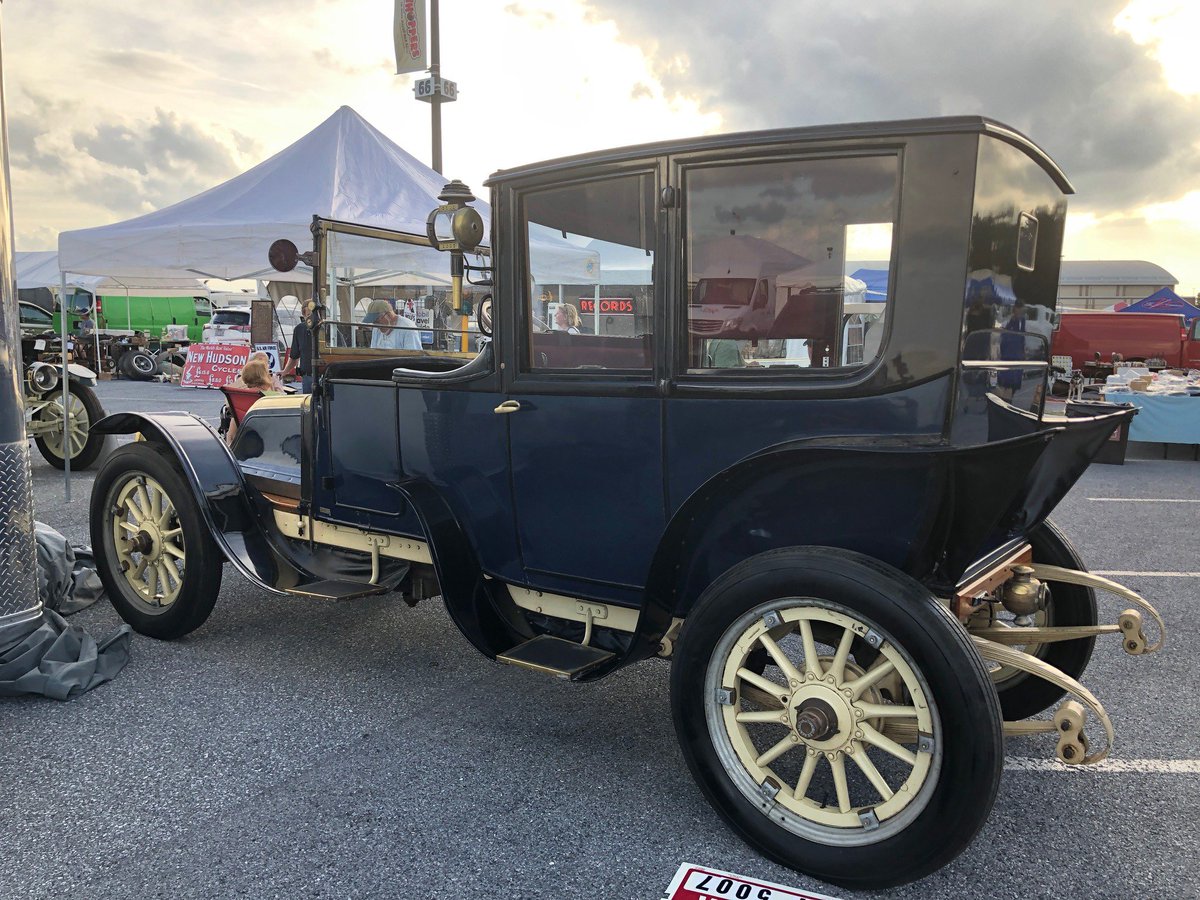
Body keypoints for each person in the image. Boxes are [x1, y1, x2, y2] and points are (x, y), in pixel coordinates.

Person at [281, 300, 315, 393]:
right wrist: (284, 372)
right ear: (304, 316)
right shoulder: (300, 329)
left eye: (313, 314)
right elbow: (294, 357)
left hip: (327, 377)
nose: (311, 318)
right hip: (308, 377)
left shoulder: (329, 328)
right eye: (308, 315)